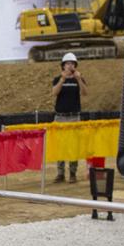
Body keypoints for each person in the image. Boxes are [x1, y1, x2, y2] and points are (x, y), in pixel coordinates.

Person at [50, 52, 87, 183]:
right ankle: (60, 173)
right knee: (60, 146)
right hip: (60, 117)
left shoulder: (79, 78)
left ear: (75, 66)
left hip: (74, 117)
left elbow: (84, 93)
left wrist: (78, 79)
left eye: (72, 63)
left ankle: (72, 173)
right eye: (67, 63)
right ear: (63, 66)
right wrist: (62, 79)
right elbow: (54, 93)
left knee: (73, 145)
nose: (70, 66)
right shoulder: (58, 79)